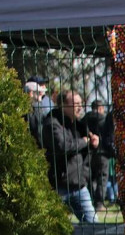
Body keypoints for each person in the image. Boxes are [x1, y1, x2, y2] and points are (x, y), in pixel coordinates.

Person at [42, 90, 100, 223]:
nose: (80, 107)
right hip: (59, 186)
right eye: (76, 103)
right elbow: (62, 147)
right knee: (53, 227)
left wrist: (93, 144)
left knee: (93, 225)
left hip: (79, 184)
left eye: (81, 103)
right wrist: (84, 142)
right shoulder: (51, 123)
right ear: (63, 105)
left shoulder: (79, 125)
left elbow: (85, 147)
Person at [83, 100, 110, 209]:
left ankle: (90, 200)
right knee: (102, 178)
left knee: (91, 178)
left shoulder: (84, 119)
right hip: (102, 152)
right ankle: (99, 202)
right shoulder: (103, 119)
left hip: (88, 151)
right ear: (100, 108)